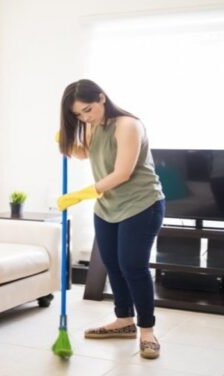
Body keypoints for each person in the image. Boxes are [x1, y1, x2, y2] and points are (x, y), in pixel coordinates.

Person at [56, 79, 166, 359]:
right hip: (108, 206)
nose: (85, 118)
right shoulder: (94, 125)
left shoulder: (128, 125)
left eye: (88, 110)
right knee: (113, 265)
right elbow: (88, 153)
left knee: (133, 266)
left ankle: (147, 331)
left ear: (102, 98)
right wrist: (67, 143)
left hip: (141, 204)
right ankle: (123, 320)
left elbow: (122, 173)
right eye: (78, 115)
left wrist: (81, 194)